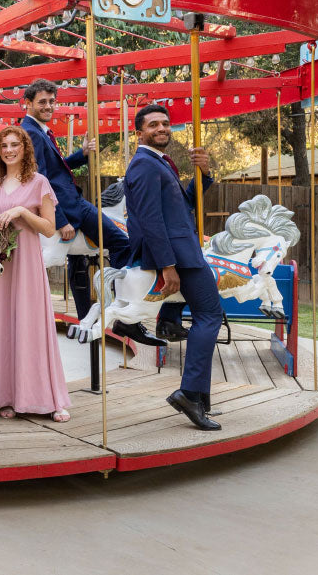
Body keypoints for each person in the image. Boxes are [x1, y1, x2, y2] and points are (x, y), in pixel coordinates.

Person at [20, 78, 164, 346]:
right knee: (122, 242)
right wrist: (59, 219)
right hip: (68, 208)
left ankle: (110, 309)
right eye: (42, 102)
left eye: (52, 101)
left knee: (111, 245)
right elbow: (40, 178)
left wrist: (81, 154)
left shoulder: (40, 130)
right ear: (27, 103)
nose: (49, 106)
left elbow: (56, 168)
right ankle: (124, 313)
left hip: (72, 202)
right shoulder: (31, 133)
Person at [125, 104, 222, 431]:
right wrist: (168, 266)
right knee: (209, 316)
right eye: (154, 124)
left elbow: (184, 206)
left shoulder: (159, 163)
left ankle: (200, 397)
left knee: (208, 318)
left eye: (165, 123)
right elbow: (152, 220)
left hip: (183, 249)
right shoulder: (143, 165)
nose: (162, 128)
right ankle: (189, 393)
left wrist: (204, 174)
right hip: (178, 255)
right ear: (140, 132)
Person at [0, 126, 71, 422]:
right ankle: (5, 396)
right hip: (1, 265)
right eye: (3, 145)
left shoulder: (39, 182)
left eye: (14, 144)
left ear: (25, 148)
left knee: (31, 326)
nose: (8, 150)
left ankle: (49, 399)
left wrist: (21, 211)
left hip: (28, 264)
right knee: (1, 325)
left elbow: (48, 227)